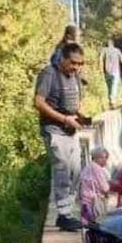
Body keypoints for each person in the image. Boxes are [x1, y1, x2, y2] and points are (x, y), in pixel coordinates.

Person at [35, 42, 88, 231]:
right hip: (54, 131)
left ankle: (68, 210)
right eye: (73, 63)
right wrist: (64, 119)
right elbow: (39, 103)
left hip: (71, 131)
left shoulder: (75, 77)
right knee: (62, 170)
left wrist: (80, 117)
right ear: (63, 59)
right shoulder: (49, 73)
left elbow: (76, 101)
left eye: (80, 63)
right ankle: (64, 215)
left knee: (75, 170)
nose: (76, 67)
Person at [79, 147, 111, 224]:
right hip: (94, 201)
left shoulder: (87, 168)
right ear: (95, 158)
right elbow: (104, 187)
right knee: (98, 223)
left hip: (85, 200)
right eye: (102, 157)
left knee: (86, 223)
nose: (105, 160)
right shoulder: (97, 169)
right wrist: (108, 193)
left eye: (106, 157)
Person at [99, 38, 122, 109]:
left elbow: (100, 59)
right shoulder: (117, 50)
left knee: (109, 87)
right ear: (113, 44)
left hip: (107, 71)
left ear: (107, 44)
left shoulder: (104, 50)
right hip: (115, 71)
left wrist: (101, 69)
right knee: (114, 86)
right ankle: (112, 101)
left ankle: (110, 101)